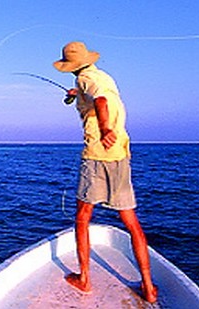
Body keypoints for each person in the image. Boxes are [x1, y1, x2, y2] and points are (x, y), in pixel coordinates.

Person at [53, 41, 158, 303]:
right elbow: (98, 95)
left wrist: (104, 128)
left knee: (83, 217)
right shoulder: (99, 76)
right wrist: (75, 95)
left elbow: (100, 100)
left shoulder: (87, 79)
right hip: (120, 155)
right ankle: (148, 286)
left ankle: (84, 279)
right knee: (132, 223)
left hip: (98, 156)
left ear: (71, 66)